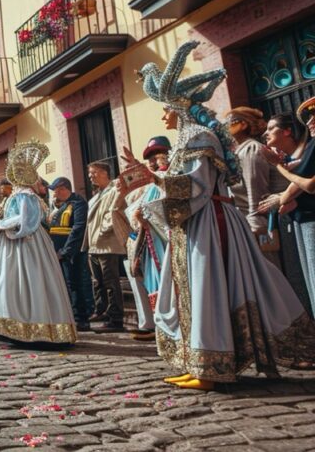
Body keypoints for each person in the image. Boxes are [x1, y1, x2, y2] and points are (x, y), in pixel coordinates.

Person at [134, 40, 315, 390]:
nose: (163, 116)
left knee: (209, 289)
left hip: (210, 221)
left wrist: (155, 180)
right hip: (196, 221)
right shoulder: (190, 136)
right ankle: (198, 360)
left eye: (165, 109)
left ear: (178, 106)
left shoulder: (199, 136)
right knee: (193, 290)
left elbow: (198, 185)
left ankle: (212, 365)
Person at [0, 140, 77, 348]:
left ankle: (35, 327)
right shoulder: (18, 196)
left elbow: (27, 221)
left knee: (32, 280)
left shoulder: (26, 196)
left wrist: (1, 226)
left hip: (27, 243)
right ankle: (17, 326)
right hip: (18, 244)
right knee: (16, 282)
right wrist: (2, 226)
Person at [262, 98, 315, 318]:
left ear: (286, 132)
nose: (310, 122)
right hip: (300, 218)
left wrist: (282, 194)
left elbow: (308, 184)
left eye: (314, 117)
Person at [122, 136, 171, 341]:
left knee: (169, 285)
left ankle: (171, 329)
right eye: (149, 157)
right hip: (149, 243)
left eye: (157, 155)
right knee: (154, 285)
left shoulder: (171, 178)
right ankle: (162, 328)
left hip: (167, 242)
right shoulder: (148, 185)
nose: (153, 160)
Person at [227, 107, 283, 267]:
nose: (224, 127)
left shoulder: (251, 149)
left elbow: (256, 193)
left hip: (259, 226)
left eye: (228, 123)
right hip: (247, 225)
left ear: (243, 125)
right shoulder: (239, 151)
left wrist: (256, 230)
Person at [83, 161, 129, 333]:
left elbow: (116, 210)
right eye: (89, 173)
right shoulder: (96, 195)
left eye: (94, 172)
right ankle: (101, 311)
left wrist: (103, 230)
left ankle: (115, 318)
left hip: (107, 243)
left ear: (105, 172)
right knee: (98, 282)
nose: (90, 176)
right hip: (94, 245)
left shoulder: (114, 189)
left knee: (111, 282)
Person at [47, 176, 92, 332]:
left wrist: (66, 251)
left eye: (56, 190)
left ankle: (82, 318)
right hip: (58, 251)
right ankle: (71, 315)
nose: (54, 194)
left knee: (76, 283)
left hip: (71, 252)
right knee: (66, 284)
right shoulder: (61, 206)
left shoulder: (78, 203)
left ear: (63, 188)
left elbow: (78, 229)